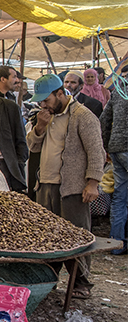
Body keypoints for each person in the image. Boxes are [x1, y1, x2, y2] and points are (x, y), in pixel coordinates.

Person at [27, 74, 104, 298]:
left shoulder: (82, 116)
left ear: (60, 94)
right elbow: (32, 146)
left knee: (76, 236)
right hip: (45, 185)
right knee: (47, 237)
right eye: (41, 101)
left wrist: (92, 182)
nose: (43, 104)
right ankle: (48, 280)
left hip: (71, 187)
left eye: (47, 100)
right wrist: (40, 127)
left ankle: (80, 282)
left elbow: (96, 151)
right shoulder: (43, 116)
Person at [101, 71, 128, 255]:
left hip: (117, 149)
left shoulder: (118, 91)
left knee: (119, 197)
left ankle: (116, 244)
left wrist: (105, 145)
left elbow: (104, 119)